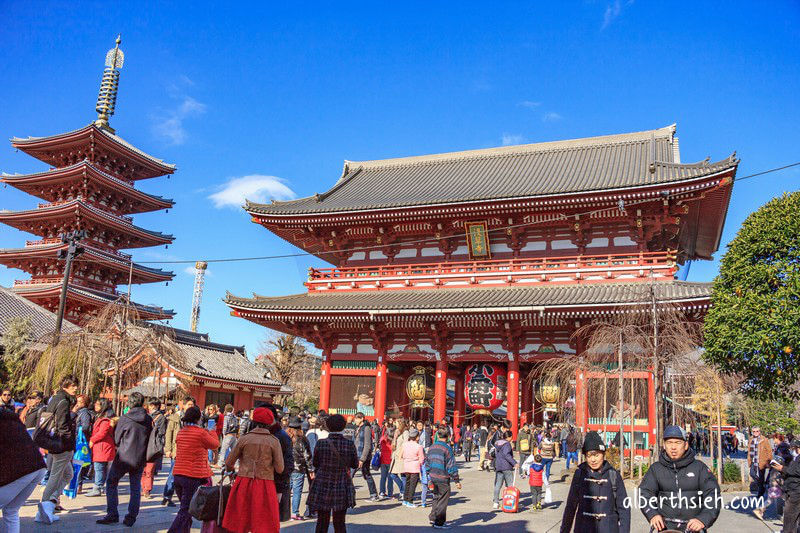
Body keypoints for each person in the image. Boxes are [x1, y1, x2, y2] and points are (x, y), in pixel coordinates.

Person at [639, 425, 721, 532]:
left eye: (678, 443)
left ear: (686, 445)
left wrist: (703, 519)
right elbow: (645, 493)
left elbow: (712, 495)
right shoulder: (656, 469)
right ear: (664, 445)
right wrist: (652, 514)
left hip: (693, 528)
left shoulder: (700, 468)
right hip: (666, 528)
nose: (673, 447)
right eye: (669, 443)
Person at [223, 407, 284, 533]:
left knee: (240, 521)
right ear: (270, 423)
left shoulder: (244, 438)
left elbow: (229, 462)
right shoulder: (274, 441)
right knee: (264, 523)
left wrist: (233, 472)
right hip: (265, 484)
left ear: (254, 421)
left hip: (243, 481)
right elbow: (280, 468)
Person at [97, 391, 152, 527]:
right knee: (135, 488)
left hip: (123, 457)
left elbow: (116, 439)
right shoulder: (148, 419)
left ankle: (112, 514)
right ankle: (131, 517)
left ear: (130, 403)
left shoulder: (125, 418)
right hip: (140, 457)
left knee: (111, 482)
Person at [560, 431, 630, 533]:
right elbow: (571, 506)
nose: (593, 459)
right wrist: (564, 530)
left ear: (603, 454)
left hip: (608, 529)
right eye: (589, 456)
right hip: (583, 528)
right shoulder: (580, 474)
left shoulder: (613, 475)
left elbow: (624, 509)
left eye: (596, 455)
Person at [166, 406, 219, 533]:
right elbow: (215, 444)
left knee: (186, 509)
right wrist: (212, 432)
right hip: (192, 476)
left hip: (178, 475)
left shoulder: (181, 432)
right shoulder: (201, 433)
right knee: (186, 510)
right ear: (198, 419)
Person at [36, 374, 79, 525]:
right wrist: (68, 444)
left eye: (76, 385)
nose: (75, 388)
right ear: (65, 385)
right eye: (72, 385)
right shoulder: (63, 401)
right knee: (55, 476)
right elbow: (62, 425)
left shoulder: (55, 398)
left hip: (53, 442)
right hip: (61, 444)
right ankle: (45, 505)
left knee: (68, 474)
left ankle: (51, 501)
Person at [307, 413, 359, 533]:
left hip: (323, 482)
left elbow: (315, 463)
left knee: (322, 520)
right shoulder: (349, 444)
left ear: (328, 426)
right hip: (341, 483)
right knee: (340, 521)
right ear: (343, 426)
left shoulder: (321, 443)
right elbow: (355, 464)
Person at [0, 407, 46, 532]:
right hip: (36, 467)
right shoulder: (10, 417)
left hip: (18, 470)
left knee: (11, 510)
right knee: (11, 510)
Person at [425, 426, 461, 529]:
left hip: (432, 476)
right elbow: (451, 465)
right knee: (443, 500)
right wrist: (456, 480)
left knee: (436, 497)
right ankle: (439, 522)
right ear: (448, 436)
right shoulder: (447, 448)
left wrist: (428, 474)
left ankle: (433, 517)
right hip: (442, 477)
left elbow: (427, 463)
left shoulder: (431, 447)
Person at [162, 396, 194, 506]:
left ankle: (182, 496)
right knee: (173, 474)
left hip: (188, 451)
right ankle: (167, 496)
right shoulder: (175, 418)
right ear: (183, 405)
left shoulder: (193, 418)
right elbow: (168, 434)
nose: (191, 406)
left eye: (192, 405)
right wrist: (168, 449)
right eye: (189, 404)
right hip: (177, 450)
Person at [86, 399, 116, 497]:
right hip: (102, 446)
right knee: (101, 469)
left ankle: (97, 488)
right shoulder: (103, 417)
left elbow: (102, 433)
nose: (95, 405)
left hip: (103, 447)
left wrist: (92, 440)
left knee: (99, 468)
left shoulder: (105, 419)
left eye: (98, 404)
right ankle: (101, 487)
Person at [287, 415, 314, 520]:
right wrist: (310, 469)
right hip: (299, 467)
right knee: (297, 491)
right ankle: (294, 513)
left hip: (287, 467)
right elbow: (307, 455)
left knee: (286, 490)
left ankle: (282, 511)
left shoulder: (285, 437)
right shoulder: (302, 439)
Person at [771, 439, 800, 533]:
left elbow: (797, 471)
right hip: (792, 488)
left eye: (795, 448)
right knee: (792, 516)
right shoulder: (797, 458)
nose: (794, 450)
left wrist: (782, 468)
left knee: (789, 515)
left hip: (796, 490)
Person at [141, 397, 167, 499]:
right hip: (145, 445)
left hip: (153, 445)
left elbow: (161, 432)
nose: (151, 407)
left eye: (153, 405)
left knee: (149, 470)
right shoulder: (146, 416)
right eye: (150, 405)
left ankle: (147, 489)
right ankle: (143, 488)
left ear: (157, 406)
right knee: (143, 469)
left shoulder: (161, 417)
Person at [352, 412, 379, 501]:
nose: (355, 420)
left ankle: (349, 494)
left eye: (357, 418)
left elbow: (367, 445)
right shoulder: (357, 428)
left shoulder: (366, 428)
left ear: (362, 419)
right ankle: (374, 494)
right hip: (355, 455)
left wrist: (362, 459)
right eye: (355, 418)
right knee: (367, 475)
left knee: (350, 475)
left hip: (362, 456)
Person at [748, 426, 773, 519]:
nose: (755, 433)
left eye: (757, 431)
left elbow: (769, 451)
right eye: (754, 431)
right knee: (752, 474)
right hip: (753, 461)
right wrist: (749, 461)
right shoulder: (751, 439)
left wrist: (769, 461)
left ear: (760, 431)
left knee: (761, 477)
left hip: (761, 462)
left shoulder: (764, 440)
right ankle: (761, 487)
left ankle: (760, 491)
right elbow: (749, 451)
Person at [492, 430, 517, 510]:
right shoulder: (507, 444)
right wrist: (514, 463)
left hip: (499, 465)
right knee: (510, 485)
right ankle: (510, 502)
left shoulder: (497, 443)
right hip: (506, 466)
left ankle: (496, 502)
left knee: (498, 485)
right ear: (509, 437)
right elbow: (507, 455)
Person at [402, 428, 425, 507]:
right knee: (413, 484)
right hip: (414, 466)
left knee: (407, 483)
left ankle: (405, 499)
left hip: (406, 465)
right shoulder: (419, 446)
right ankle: (410, 501)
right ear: (417, 437)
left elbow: (402, 455)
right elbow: (421, 459)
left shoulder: (405, 444)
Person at [390, 419, 408, 499]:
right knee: (394, 474)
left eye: (396, 423)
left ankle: (403, 492)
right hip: (395, 456)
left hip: (401, 456)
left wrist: (400, 453)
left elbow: (406, 444)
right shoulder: (397, 432)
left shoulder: (405, 432)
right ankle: (403, 491)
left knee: (401, 475)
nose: (395, 424)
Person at [379, 426, 396, 499]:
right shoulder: (393, 441)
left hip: (382, 460)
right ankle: (390, 493)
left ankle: (382, 492)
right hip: (390, 460)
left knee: (383, 477)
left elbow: (380, 447)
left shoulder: (382, 438)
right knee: (390, 478)